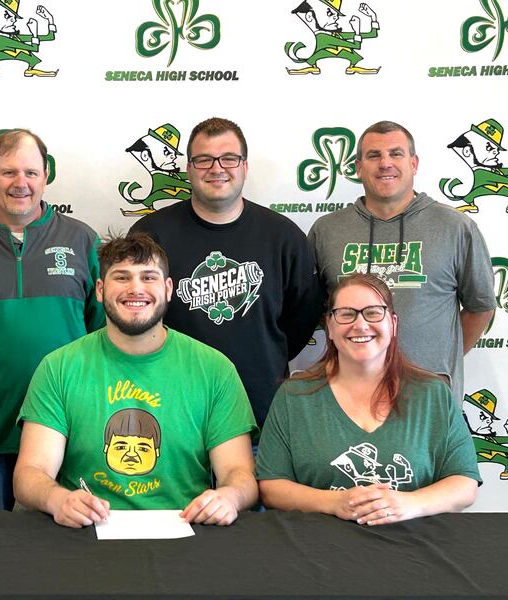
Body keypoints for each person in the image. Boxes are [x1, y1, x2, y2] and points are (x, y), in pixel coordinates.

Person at [14, 233, 258, 528]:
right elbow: (30, 473)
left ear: (168, 289)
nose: (135, 289)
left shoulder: (215, 369)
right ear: (101, 290)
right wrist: (58, 500)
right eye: (122, 277)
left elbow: (239, 474)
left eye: (148, 277)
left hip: (189, 532)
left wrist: (229, 497)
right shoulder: (59, 367)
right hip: (86, 534)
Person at [0, 128, 104, 511]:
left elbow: (96, 329)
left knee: (55, 551)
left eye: (30, 172)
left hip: (65, 430)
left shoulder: (82, 241)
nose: (20, 183)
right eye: (8, 172)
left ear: (47, 175)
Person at [130, 117, 323, 427]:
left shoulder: (283, 237)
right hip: (171, 413)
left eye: (229, 158)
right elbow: (133, 314)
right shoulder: (151, 233)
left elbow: (301, 321)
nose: (217, 168)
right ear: (189, 169)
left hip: (259, 412)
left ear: (244, 166)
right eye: (204, 159)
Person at [256, 274, 480, 525]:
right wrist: (335, 502)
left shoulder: (433, 395)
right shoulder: (294, 396)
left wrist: (408, 504)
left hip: (416, 552)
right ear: (329, 327)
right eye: (346, 314)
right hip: (317, 553)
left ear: (393, 324)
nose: (360, 325)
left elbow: (464, 483)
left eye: (373, 313)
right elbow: (271, 487)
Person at [309, 120, 496, 403]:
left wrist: (440, 363)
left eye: (395, 154)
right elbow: (315, 309)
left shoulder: (455, 227)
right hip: (349, 399)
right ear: (358, 167)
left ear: (414, 163)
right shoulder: (327, 230)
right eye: (374, 155)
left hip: (430, 401)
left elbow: (480, 307)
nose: (385, 163)